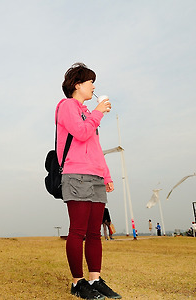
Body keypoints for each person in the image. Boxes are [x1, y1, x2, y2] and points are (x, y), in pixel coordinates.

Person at [57, 63, 121, 299]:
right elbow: (81, 133)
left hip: (95, 176)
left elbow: (94, 147)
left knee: (94, 233)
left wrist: (107, 175)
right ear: (78, 84)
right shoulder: (66, 106)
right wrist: (98, 113)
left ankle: (94, 280)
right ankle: (77, 283)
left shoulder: (87, 112)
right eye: (90, 82)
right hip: (76, 175)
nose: (94, 86)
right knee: (78, 231)